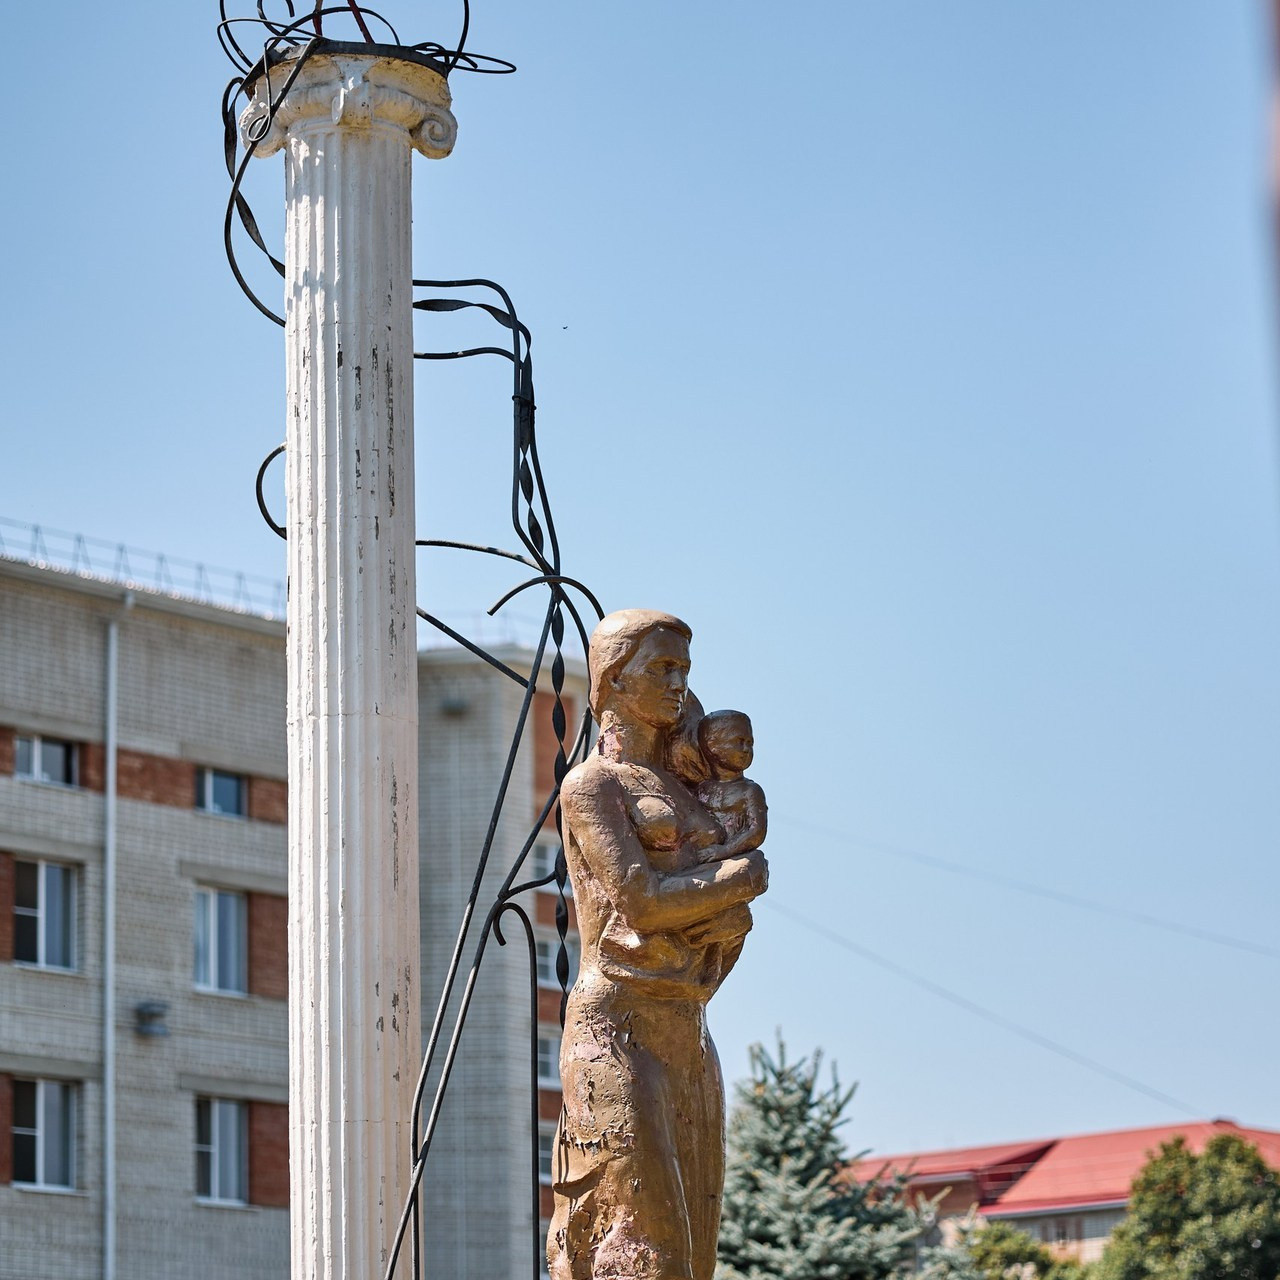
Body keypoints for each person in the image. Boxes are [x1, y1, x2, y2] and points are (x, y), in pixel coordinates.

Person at [547, 609, 769, 1280]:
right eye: (662, 668)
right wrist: (739, 879)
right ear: (613, 678)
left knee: (694, 1258)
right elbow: (639, 900)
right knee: (648, 1246)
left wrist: (726, 905)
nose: (678, 684)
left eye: (684, 671)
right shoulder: (593, 786)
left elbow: (715, 914)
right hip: (617, 1026)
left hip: (688, 1028)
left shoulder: (690, 787)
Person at [693, 710, 768, 863]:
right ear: (712, 745)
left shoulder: (750, 791)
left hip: (734, 858)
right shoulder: (699, 789)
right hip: (703, 857)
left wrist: (725, 850)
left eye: (750, 743)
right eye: (739, 741)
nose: (746, 749)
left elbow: (757, 831)